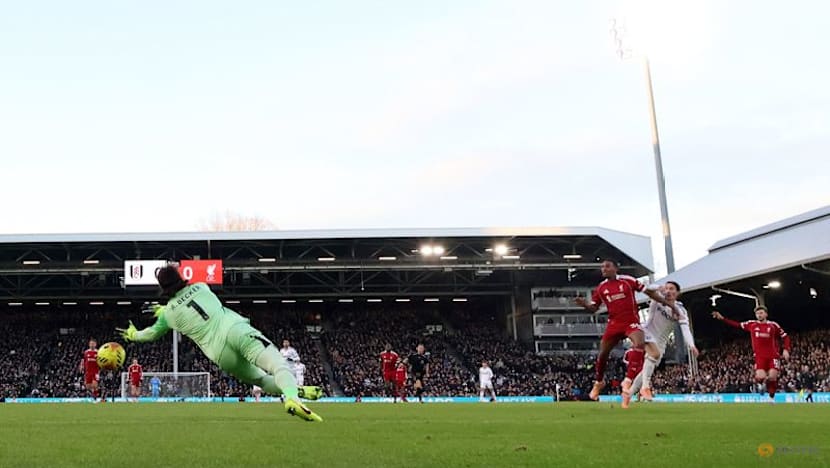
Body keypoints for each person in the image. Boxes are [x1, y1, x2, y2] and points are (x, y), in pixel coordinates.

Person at [118, 264, 323, 421]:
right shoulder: (201, 286)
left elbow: (151, 334)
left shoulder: (168, 315)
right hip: (234, 329)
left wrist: (133, 334)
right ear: (180, 277)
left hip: (219, 353)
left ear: (163, 288)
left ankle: (297, 391)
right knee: (277, 364)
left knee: (261, 380)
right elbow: (191, 301)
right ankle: (293, 398)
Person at [574, 259, 677, 407]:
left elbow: (649, 292)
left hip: (631, 322)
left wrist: (667, 304)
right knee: (603, 354)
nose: (604, 269)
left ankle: (627, 381)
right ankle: (599, 382)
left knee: (639, 343)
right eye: (602, 267)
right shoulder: (601, 288)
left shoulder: (628, 281)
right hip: (614, 324)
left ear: (616, 268)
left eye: (607, 266)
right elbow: (594, 308)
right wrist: (585, 304)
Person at [629, 281, 699, 401]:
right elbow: (647, 289)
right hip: (646, 332)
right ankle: (645, 387)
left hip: (661, 341)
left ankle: (629, 394)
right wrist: (658, 287)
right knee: (652, 357)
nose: (668, 291)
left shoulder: (680, 310)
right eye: (666, 288)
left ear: (678, 293)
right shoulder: (657, 299)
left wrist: (691, 345)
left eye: (671, 289)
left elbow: (685, 328)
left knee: (648, 368)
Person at [712, 306, 791, 401]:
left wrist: (786, 349)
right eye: (757, 313)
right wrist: (723, 319)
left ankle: (771, 397)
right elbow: (737, 324)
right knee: (761, 376)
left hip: (773, 355)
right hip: (760, 356)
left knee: (772, 377)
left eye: (761, 313)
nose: (759, 315)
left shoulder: (773, 325)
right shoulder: (752, 324)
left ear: (766, 314)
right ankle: (760, 384)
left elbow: (785, 337)